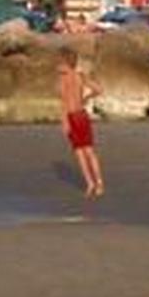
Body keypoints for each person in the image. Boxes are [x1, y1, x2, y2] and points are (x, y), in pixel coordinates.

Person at [58, 47, 105, 197]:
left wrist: (64, 122)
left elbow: (64, 103)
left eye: (60, 62)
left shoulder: (63, 79)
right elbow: (99, 89)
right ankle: (99, 183)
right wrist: (86, 98)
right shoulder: (80, 76)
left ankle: (90, 184)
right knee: (89, 151)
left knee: (80, 153)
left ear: (65, 62)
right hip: (82, 115)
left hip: (72, 117)